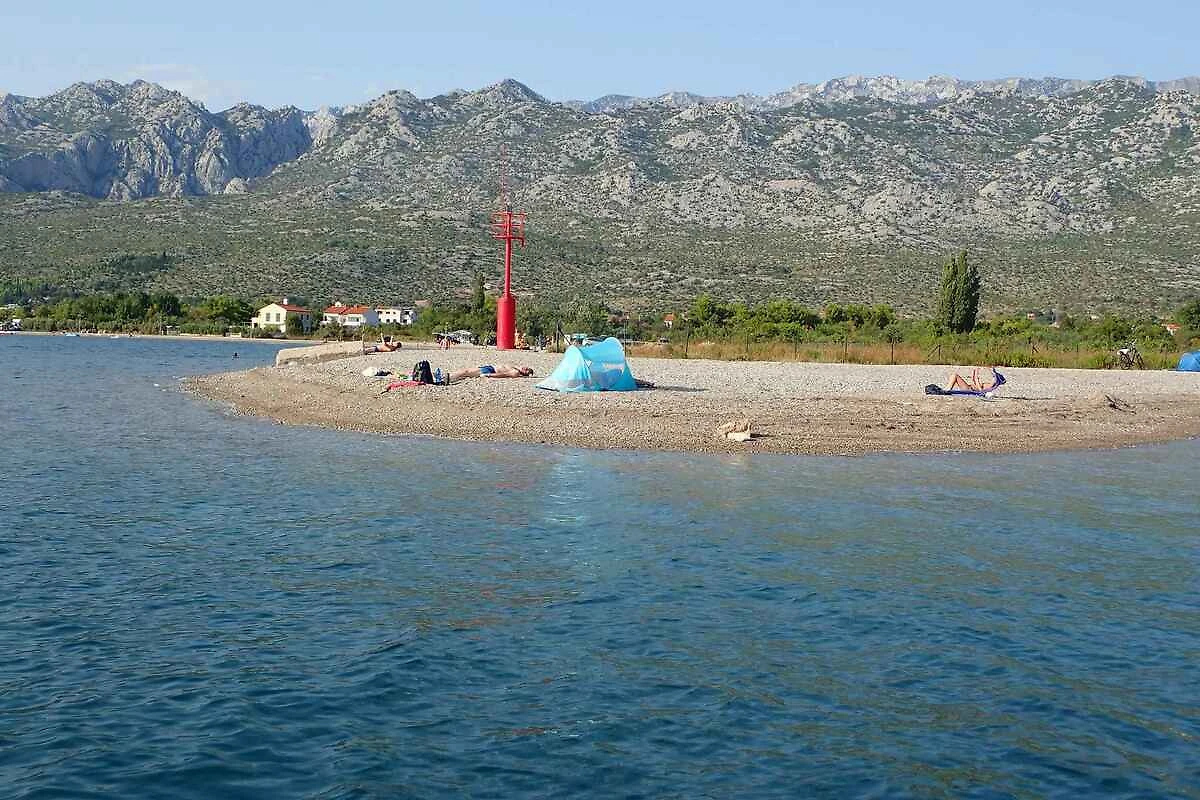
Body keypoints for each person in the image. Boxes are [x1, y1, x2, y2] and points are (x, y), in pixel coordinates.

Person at [448, 364, 534, 382]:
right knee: (466, 371)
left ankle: (448, 378)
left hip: (490, 371)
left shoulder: (515, 372)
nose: (525, 368)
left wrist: (488, 375)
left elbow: (503, 375)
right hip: (490, 368)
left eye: (526, 370)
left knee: (466, 372)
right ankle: (450, 377)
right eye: (527, 367)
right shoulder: (516, 367)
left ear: (524, 374)